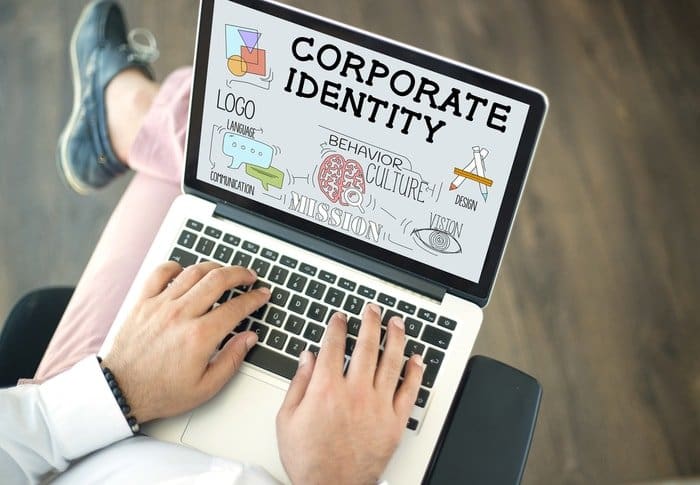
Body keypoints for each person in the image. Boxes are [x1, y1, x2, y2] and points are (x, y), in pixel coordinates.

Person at [0, 2, 424, 484]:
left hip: (85, 436)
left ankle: (129, 116)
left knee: (211, 153)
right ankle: (130, 114)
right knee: (207, 144)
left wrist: (119, 386)